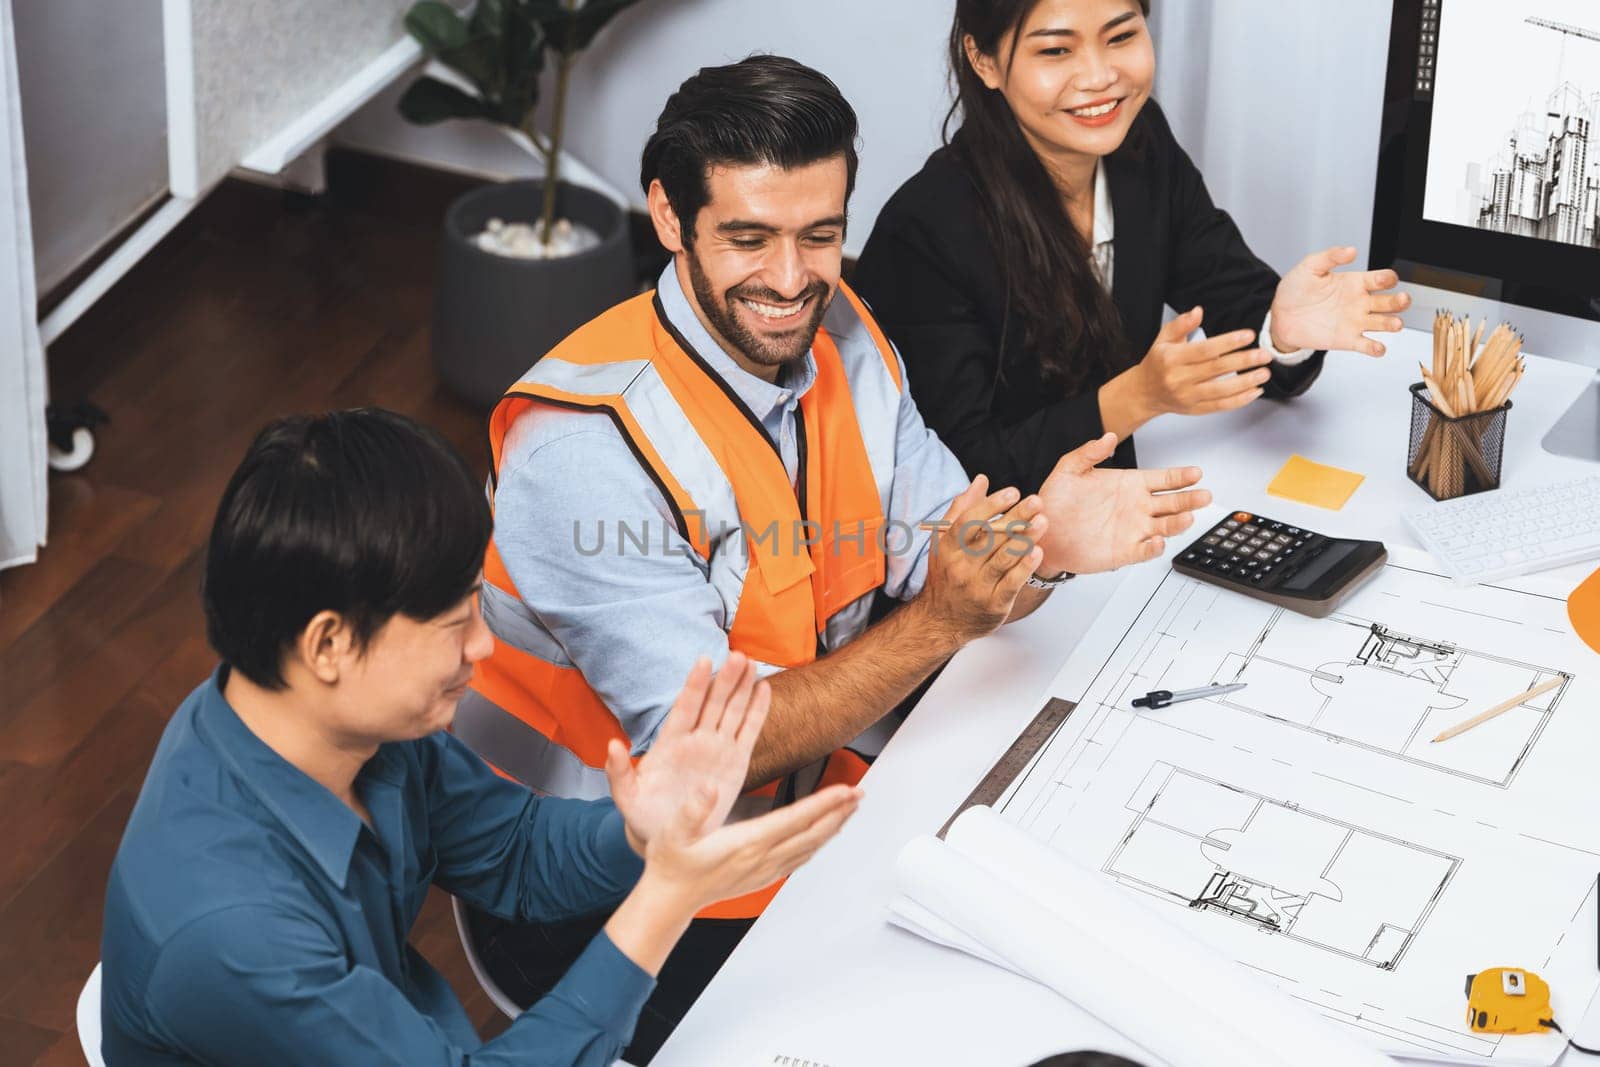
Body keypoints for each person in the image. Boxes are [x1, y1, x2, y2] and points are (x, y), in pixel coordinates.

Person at [459, 54, 1210, 1061]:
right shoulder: (584, 454)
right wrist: (947, 615)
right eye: (747, 237)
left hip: (824, 805)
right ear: (669, 218)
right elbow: (714, 760)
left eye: (820, 234)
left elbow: (949, 542)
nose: (789, 278)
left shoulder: (842, 330)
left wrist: (1044, 542)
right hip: (616, 888)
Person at [98, 408, 860, 1066]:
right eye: (453, 618)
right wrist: (666, 898)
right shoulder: (232, 928)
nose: (483, 645)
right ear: (328, 645)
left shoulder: (345, 723)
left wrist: (642, 831)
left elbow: (515, 851)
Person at [852, 0, 1413, 493]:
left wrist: (1281, 333)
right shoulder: (925, 231)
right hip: (1003, 568)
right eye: (1055, 51)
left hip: (1125, 525)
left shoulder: (1140, 146)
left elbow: (1232, 296)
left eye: (1121, 36)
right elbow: (957, 471)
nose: (1100, 78)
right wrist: (1137, 398)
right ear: (985, 61)